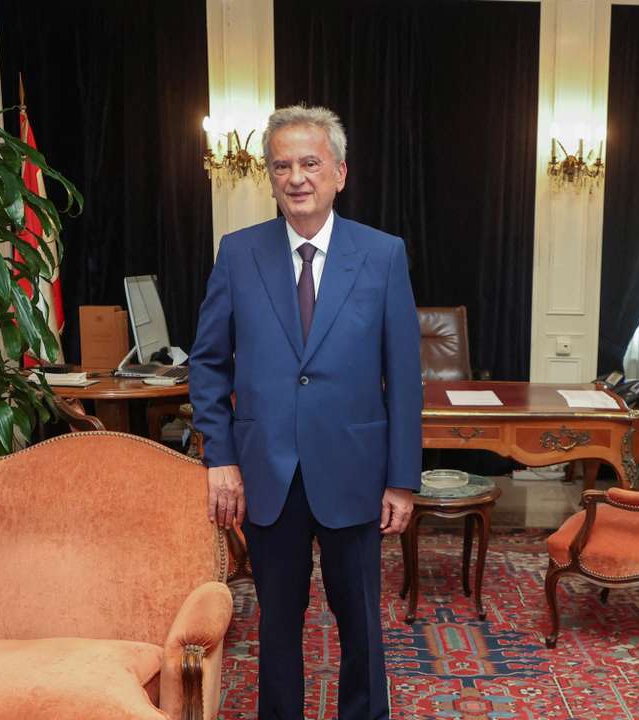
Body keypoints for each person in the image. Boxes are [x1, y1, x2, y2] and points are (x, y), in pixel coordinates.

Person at [189, 105, 422, 720]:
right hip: (267, 476)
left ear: (340, 173)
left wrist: (401, 478)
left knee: (362, 628)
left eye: (310, 163)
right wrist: (221, 460)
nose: (296, 177)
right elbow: (208, 363)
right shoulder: (238, 254)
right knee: (277, 630)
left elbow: (403, 376)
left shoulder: (383, 254)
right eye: (282, 165)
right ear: (269, 177)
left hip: (355, 472)